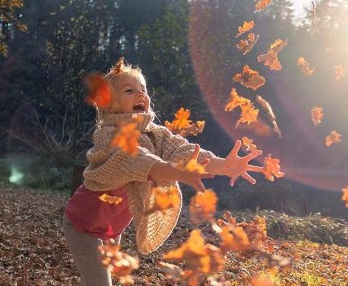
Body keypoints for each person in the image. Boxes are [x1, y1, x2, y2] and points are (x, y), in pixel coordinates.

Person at [62, 58, 263, 285]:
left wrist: (223, 165)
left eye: (143, 89)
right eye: (130, 90)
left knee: (100, 277)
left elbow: (185, 151)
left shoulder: (155, 134)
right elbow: (136, 160)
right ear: (111, 105)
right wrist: (177, 171)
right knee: (99, 281)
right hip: (82, 225)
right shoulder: (108, 135)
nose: (141, 94)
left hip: (111, 227)